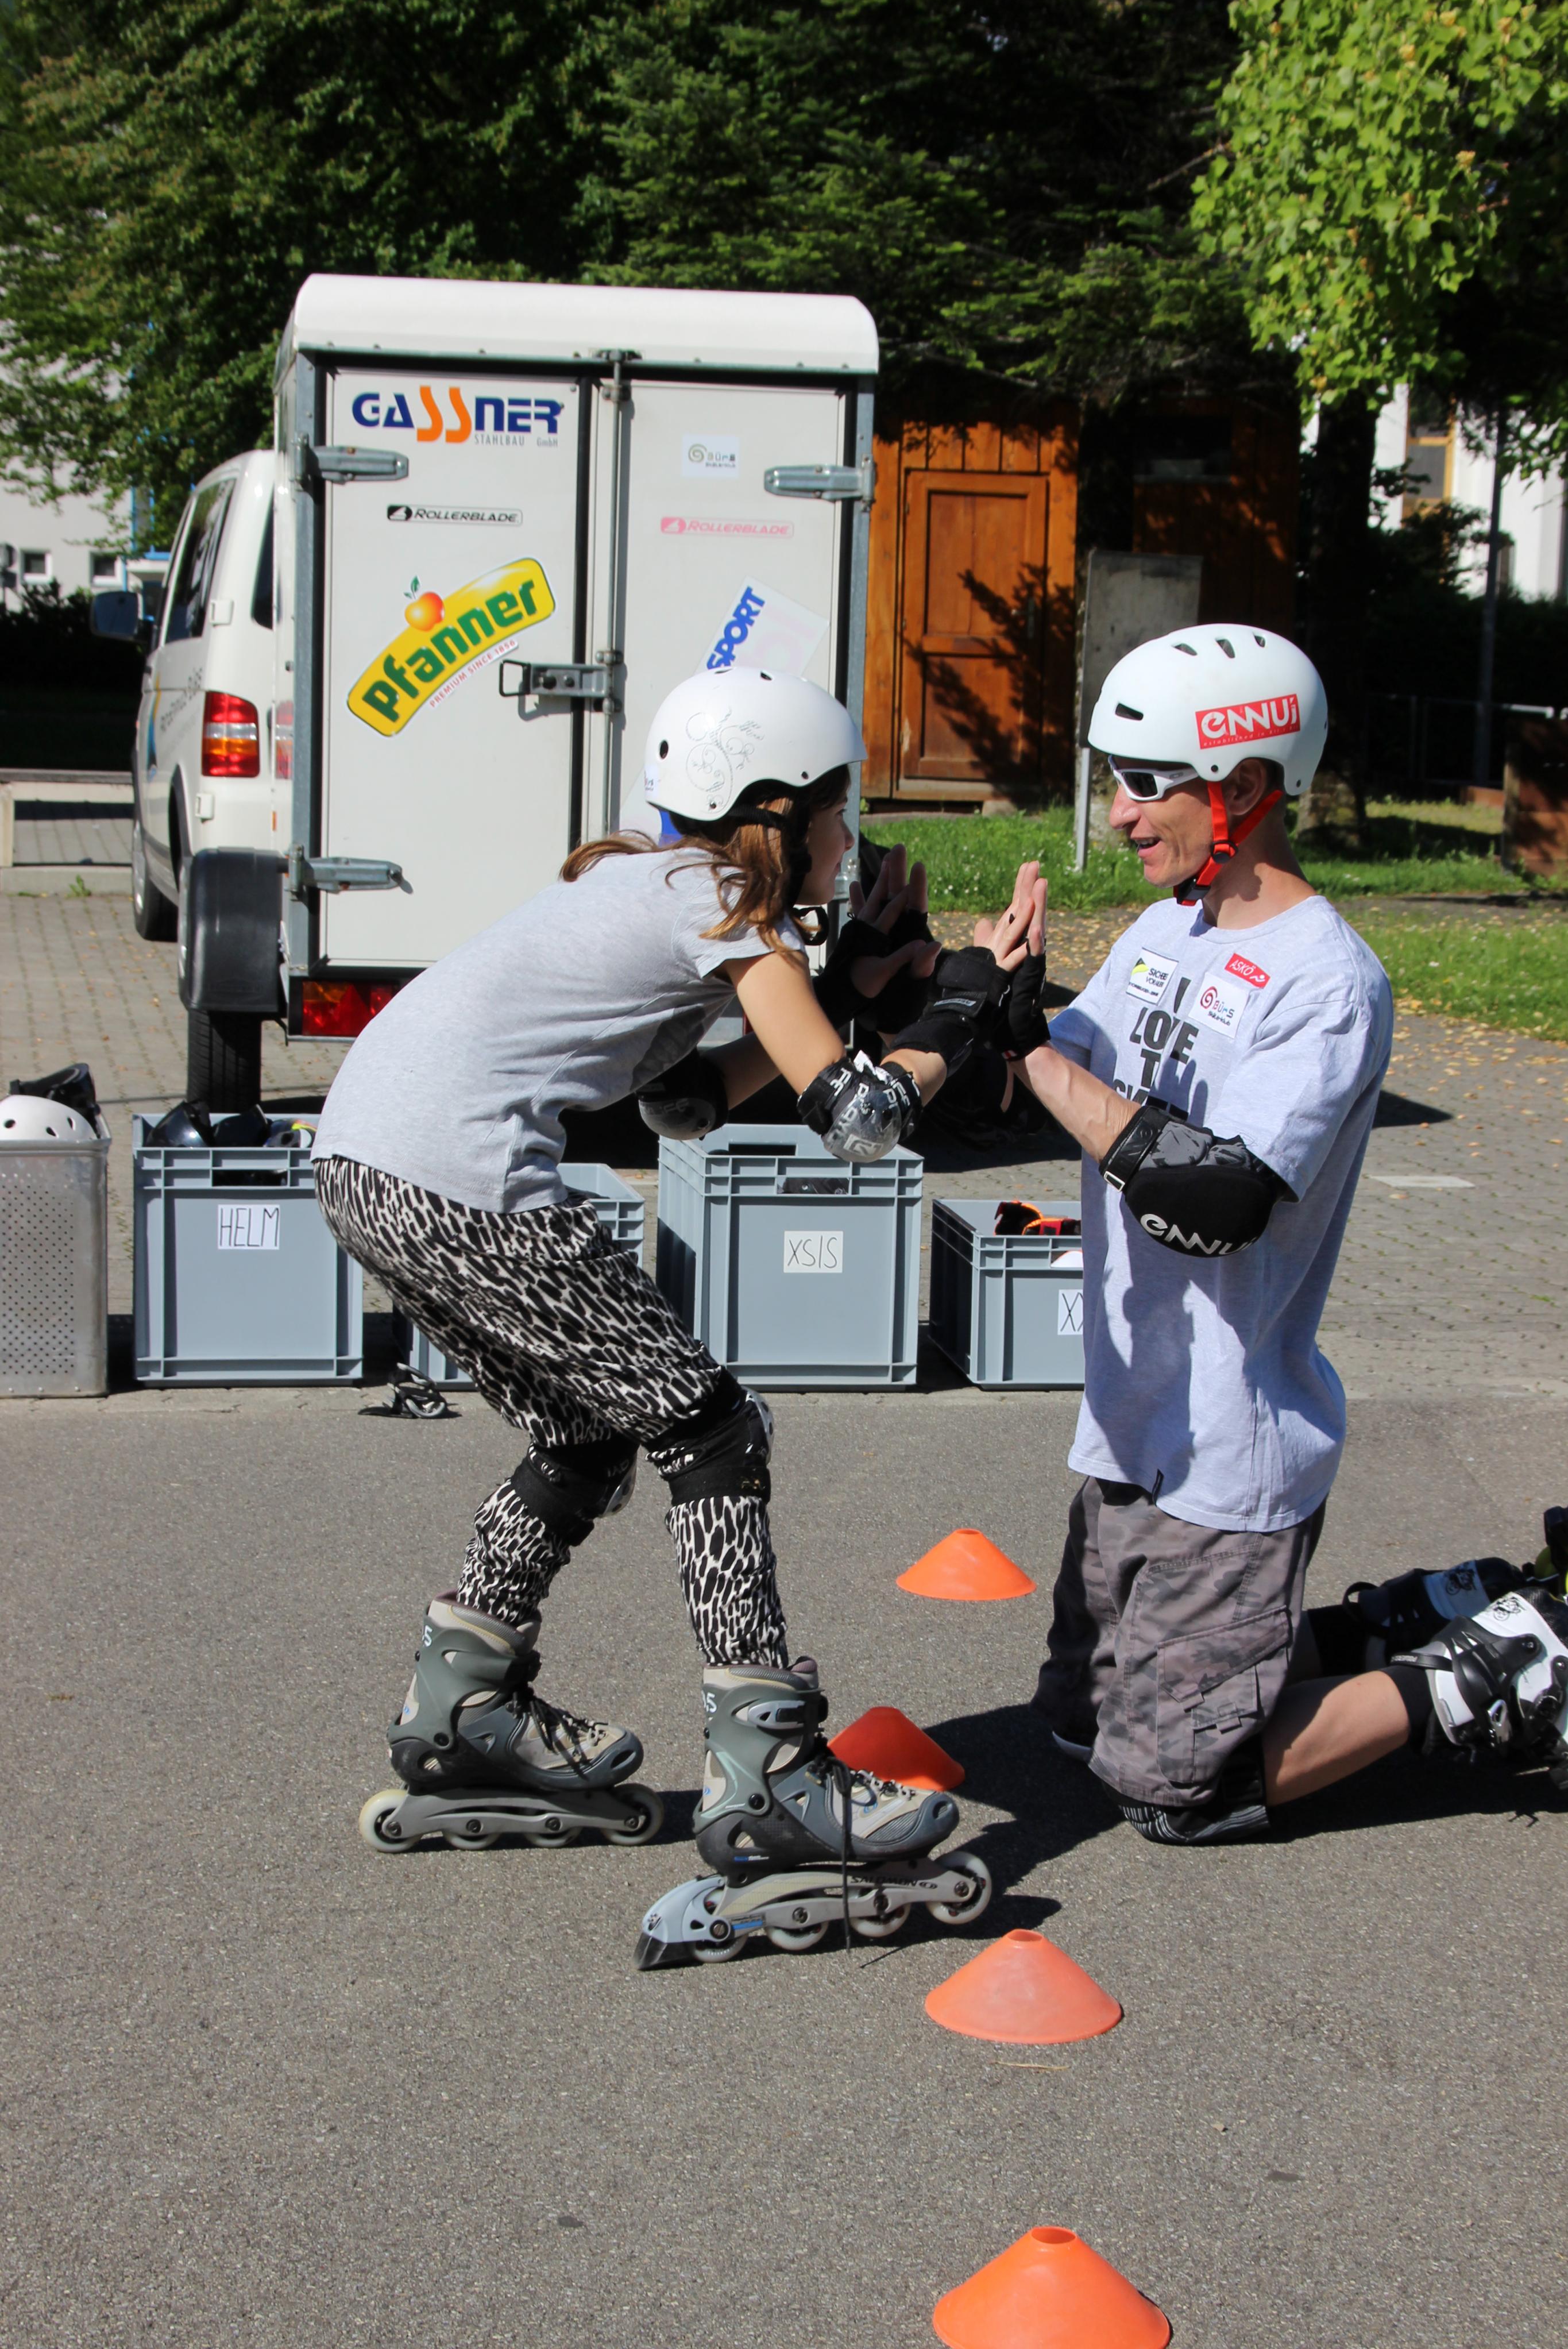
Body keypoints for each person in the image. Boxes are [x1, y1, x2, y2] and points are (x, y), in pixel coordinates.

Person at [312, 667, 1037, 1926]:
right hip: (461, 1181)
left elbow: (682, 1103)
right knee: (712, 1427)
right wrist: (964, 1005)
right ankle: (769, 1772)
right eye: (837, 810)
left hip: (366, 1166)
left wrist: (851, 994)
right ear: (776, 810)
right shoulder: (719, 904)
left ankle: (465, 1703)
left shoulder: (660, 882)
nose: (849, 839)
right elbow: (861, 1123)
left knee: (587, 1432)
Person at [1009, 623, 1568, 1841]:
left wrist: (1030, 1052)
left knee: (1174, 1792)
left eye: (1144, 782)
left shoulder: (1327, 979)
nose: (1118, 814)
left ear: (1247, 784)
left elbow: (1216, 1201)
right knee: (1074, 1727)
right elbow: (1048, 1078)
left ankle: (1517, 1661)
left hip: (1228, 1446)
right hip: (1130, 1422)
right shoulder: (1169, 930)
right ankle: (1403, 1620)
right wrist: (956, 1005)